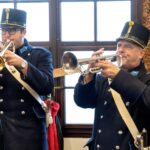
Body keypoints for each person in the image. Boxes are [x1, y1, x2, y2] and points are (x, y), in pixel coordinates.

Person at [74, 21, 150, 150]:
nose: (120, 50)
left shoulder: (147, 79)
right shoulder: (103, 78)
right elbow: (83, 102)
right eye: (119, 45)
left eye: (128, 46)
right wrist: (88, 76)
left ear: (141, 53)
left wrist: (119, 76)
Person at [0, 8, 54, 150]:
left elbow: (47, 86)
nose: (6, 36)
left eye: (11, 31)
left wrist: (22, 64)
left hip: (26, 135)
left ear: (23, 32)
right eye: (3, 31)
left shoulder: (40, 55)